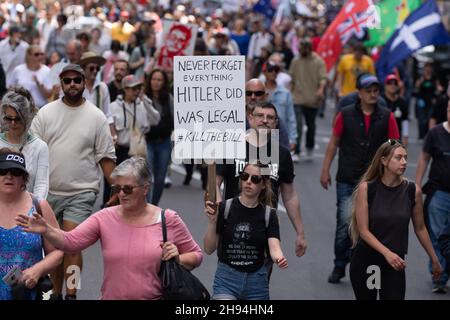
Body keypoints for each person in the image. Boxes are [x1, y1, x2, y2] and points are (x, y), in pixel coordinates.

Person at [16, 156, 203, 300]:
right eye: (116, 189)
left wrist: (177, 258)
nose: (121, 194)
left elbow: (196, 255)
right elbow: (71, 243)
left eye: (127, 189)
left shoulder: (167, 219)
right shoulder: (104, 217)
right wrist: (47, 230)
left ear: (145, 188)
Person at [30, 64, 116, 300]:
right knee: (55, 249)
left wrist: (118, 188)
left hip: (82, 191)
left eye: (76, 80)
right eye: (67, 81)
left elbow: (106, 157)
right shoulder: (45, 113)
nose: (72, 85)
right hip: (48, 193)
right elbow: (32, 151)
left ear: (84, 83)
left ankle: (71, 293)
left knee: (72, 244)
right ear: (61, 83)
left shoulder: (97, 117)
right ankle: (57, 292)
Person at [320, 73, 400, 284]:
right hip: (348, 178)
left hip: (376, 180)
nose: (373, 94)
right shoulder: (345, 114)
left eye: (376, 90)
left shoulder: (387, 116)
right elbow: (333, 143)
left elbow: (395, 147)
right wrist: (325, 169)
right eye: (369, 91)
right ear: (359, 93)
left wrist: (395, 174)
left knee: (372, 226)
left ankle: (362, 264)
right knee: (345, 224)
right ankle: (339, 264)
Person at [349, 140, 442, 300]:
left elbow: (420, 228)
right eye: (398, 158)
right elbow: (363, 231)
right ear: (384, 161)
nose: (404, 162)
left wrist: (434, 259)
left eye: (405, 157)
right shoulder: (367, 188)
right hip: (369, 260)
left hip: (395, 262)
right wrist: (387, 253)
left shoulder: (412, 190)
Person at [216, 102, 307, 257]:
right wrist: (218, 212)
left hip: (265, 227)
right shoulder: (232, 146)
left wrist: (300, 233)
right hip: (232, 223)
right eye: (260, 116)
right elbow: (214, 184)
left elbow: (289, 196)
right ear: (250, 118)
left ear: (275, 123)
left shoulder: (282, 154)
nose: (265, 120)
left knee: (261, 277)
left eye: (270, 117)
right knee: (229, 274)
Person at [204, 163, 288, 300]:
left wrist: (279, 258)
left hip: (257, 283)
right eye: (244, 176)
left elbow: (274, 247)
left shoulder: (269, 215)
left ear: (263, 184)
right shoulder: (225, 208)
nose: (248, 181)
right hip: (226, 280)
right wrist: (213, 221)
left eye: (255, 179)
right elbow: (208, 249)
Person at [0, 148, 62, 300]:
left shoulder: (39, 206)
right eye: (3, 171)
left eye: (15, 172)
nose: (9, 176)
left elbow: (58, 250)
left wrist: (37, 270)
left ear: (24, 178)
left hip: (28, 293)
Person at [415, 102, 450, 294]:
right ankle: (439, 275)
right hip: (439, 193)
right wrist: (417, 186)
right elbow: (423, 158)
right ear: (447, 111)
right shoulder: (435, 133)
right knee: (436, 236)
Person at [0, 87, 49, 199]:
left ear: (26, 118)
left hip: (27, 209)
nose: (12, 123)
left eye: (17, 119)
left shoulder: (40, 147)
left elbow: (41, 184)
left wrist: (34, 209)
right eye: (8, 118)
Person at [289, 37, 327, 160]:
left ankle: (309, 147)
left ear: (309, 48)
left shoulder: (318, 61)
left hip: (312, 99)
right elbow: (291, 78)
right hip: (298, 98)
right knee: (298, 126)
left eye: (303, 48)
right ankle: (297, 151)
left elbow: (322, 78)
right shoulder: (296, 61)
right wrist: (291, 90)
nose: (300, 50)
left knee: (311, 126)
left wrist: (320, 89)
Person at [110, 74, 160, 165]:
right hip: (120, 151)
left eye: (139, 88)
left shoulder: (143, 105)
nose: (136, 91)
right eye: (133, 89)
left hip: (139, 151)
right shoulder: (114, 107)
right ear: (125, 89)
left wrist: (144, 100)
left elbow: (155, 120)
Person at [144, 69, 173, 205]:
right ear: (149, 81)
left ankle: (154, 205)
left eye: (159, 79)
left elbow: (176, 119)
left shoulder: (168, 98)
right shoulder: (144, 97)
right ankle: (147, 205)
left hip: (164, 142)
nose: (156, 82)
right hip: (147, 141)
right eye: (154, 79)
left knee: (160, 178)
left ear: (164, 82)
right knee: (148, 177)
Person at [382, 74, 409, 147]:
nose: (392, 85)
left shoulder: (402, 101)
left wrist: (405, 136)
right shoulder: (380, 100)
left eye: (395, 84)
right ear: (385, 85)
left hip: (396, 135)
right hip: (382, 135)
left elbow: (405, 119)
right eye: (389, 83)